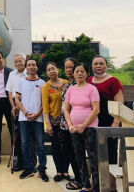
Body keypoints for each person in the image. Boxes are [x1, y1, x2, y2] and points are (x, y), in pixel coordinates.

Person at [87, 55, 124, 192]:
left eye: (101, 63)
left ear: (106, 65)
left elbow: (119, 103)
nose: (98, 66)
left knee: (110, 154)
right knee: (94, 154)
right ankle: (97, 185)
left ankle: (111, 186)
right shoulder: (89, 80)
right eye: (95, 63)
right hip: (93, 122)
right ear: (91, 66)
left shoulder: (113, 81)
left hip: (109, 123)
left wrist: (115, 123)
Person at [64, 63, 100, 192]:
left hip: (89, 127)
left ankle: (96, 187)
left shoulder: (92, 89)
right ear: (73, 73)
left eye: (82, 71)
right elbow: (66, 110)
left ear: (87, 74)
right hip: (74, 129)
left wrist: (84, 125)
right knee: (78, 157)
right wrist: (70, 125)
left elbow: (96, 110)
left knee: (93, 157)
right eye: (77, 71)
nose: (79, 73)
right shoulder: (70, 89)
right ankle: (86, 185)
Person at [15, 58, 48, 181]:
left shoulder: (43, 83)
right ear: (26, 67)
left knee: (40, 145)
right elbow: (17, 99)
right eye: (29, 65)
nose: (31, 67)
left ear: (37, 67)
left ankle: (42, 169)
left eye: (33, 65)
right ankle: (28, 168)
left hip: (38, 119)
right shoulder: (21, 82)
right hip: (24, 118)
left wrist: (37, 114)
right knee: (25, 144)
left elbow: (45, 102)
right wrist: (25, 112)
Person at [6, 53, 37, 172]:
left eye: (20, 61)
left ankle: (32, 163)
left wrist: (21, 108)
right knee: (17, 137)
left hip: (28, 108)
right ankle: (19, 162)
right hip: (15, 108)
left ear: (24, 62)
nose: (18, 63)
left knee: (30, 137)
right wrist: (14, 107)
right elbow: (9, 92)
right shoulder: (11, 74)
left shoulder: (30, 74)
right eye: (16, 61)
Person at [42, 62, 73, 182]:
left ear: (58, 69)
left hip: (67, 121)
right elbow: (45, 107)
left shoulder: (66, 83)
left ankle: (66, 171)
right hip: (54, 122)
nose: (52, 71)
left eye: (53, 68)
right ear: (47, 73)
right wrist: (48, 124)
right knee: (55, 147)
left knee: (67, 146)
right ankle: (59, 171)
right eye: (49, 69)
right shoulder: (46, 87)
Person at [61, 58, 82, 190]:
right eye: (67, 67)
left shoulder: (78, 83)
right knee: (70, 151)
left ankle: (80, 179)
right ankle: (78, 177)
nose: (69, 70)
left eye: (71, 67)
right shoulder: (67, 83)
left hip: (75, 123)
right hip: (66, 123)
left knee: (77, 152)